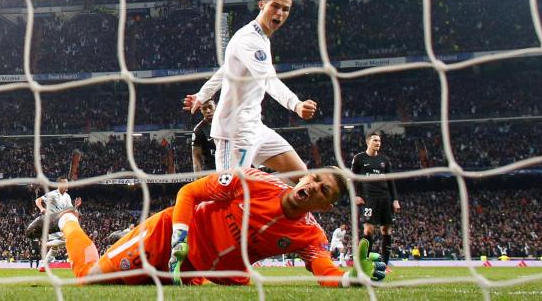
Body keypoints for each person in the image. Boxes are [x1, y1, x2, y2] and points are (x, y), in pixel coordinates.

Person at [27, 168, 386, 287]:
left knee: (242, 280)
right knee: (89, 276)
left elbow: (322, 268)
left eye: (323, 190)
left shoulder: (311, 235)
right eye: (315, 177)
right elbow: (189, 191)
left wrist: (347, 277)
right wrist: (180, 235)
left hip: (197, 269)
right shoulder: (252, 181)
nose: (312, 186)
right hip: (168, 237)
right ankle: (66, 218)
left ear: (324, 205)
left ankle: (125, 238)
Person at [182, 0, 317, 182]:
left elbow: (225, 70)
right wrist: (295, 104)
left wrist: (202, 95)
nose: (280, 13)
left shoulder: (260, 37)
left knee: (301, 176)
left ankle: (269, 209)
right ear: (262, 5)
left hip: (255, 127)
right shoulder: (250, 39)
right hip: (234, 132)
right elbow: (268, 81)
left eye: (285, 9)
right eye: (275, 6)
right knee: (231, 193)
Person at [351, 132, 400, 271]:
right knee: (368, 230)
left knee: (386, 230)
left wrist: (395, 199)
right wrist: (355, 195)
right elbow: (352, 178)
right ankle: (363, 262)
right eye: (375, 140)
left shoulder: (385, 159)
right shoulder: (359, 158)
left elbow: (391, 181)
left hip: (386, 198)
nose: (378, 142)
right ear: (368, 142)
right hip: (369, 199)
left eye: (379, 140)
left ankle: (384, 265)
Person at [34, 176, 81, 270]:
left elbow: (70, 210)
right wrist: (42, 209)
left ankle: (43, 266)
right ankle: (45, 244)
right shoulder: (52, 194)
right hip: (53, 223)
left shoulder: (67, 197)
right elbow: (38, 200)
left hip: (61, 223)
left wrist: (76, 207)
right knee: (68, 240)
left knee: (55, 249)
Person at [191, 99, 217, 172]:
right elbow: (196, 157)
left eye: (210, 107)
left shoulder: (224, 123)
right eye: (204, 108)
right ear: (201, 110)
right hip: (211, 171)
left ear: (215, 107)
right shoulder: (199, 130)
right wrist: (198, 178)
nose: (208, 111)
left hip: (228, 167)